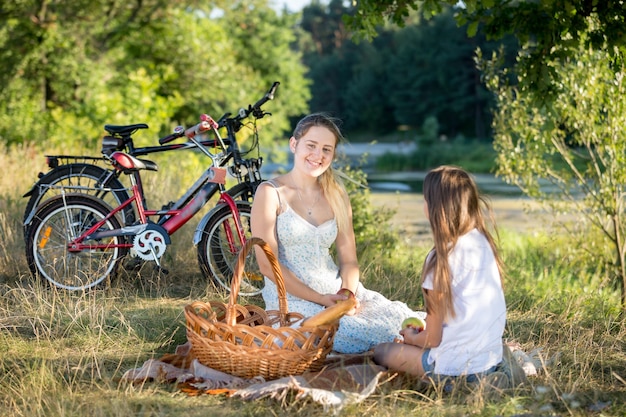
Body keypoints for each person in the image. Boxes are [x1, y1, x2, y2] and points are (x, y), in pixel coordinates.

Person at [250, 113, 423, 354]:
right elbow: (268, 266)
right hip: (291, 297)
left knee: (401, 319)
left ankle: (429, 357)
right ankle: (413, 357)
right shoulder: (271, 193)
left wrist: (347, 294)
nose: (318, 155)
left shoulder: (336, 195)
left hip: (337, 293)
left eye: (326, 150)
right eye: (311, 146)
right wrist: (322, 300)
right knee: (357, 333)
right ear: (294, 144)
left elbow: (349, 260)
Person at [373, 165, 507, 383]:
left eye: (426, 200)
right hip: (490, 360)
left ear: (435, 208)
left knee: (381, 352)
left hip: (452, 369)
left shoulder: (440, 258)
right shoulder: (482, 241)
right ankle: (489, 379)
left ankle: (453, 385)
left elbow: (433, 339)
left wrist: (412, 338)